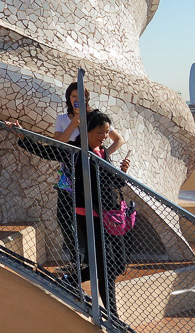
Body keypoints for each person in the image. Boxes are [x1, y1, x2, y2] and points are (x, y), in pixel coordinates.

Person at [71, 110, 131, 320]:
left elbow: (114, 182)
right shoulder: (78, 152)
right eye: (100, 132)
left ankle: (70, 278)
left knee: (115, 265)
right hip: (87, 214)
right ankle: (112, 315)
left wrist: (121, 172)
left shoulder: (102, 152)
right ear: (87, 131)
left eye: (107, 132)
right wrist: (23, 138)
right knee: (105, 266)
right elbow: (49, 152)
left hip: (106, 214)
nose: (104, 137)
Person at [53, 82, 123, 261]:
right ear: (69, 98)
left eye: (81, 97)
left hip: (91, 175)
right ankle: (77, 257)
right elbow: (58, 143)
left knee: (94, 216)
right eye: (74, 96)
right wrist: (73, 123)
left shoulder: (94, 117)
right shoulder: (63, 119)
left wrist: (101, 156)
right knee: (64, 216)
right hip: (68, 176)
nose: (77, 100)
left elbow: (118, 139)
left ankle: (97, 259)